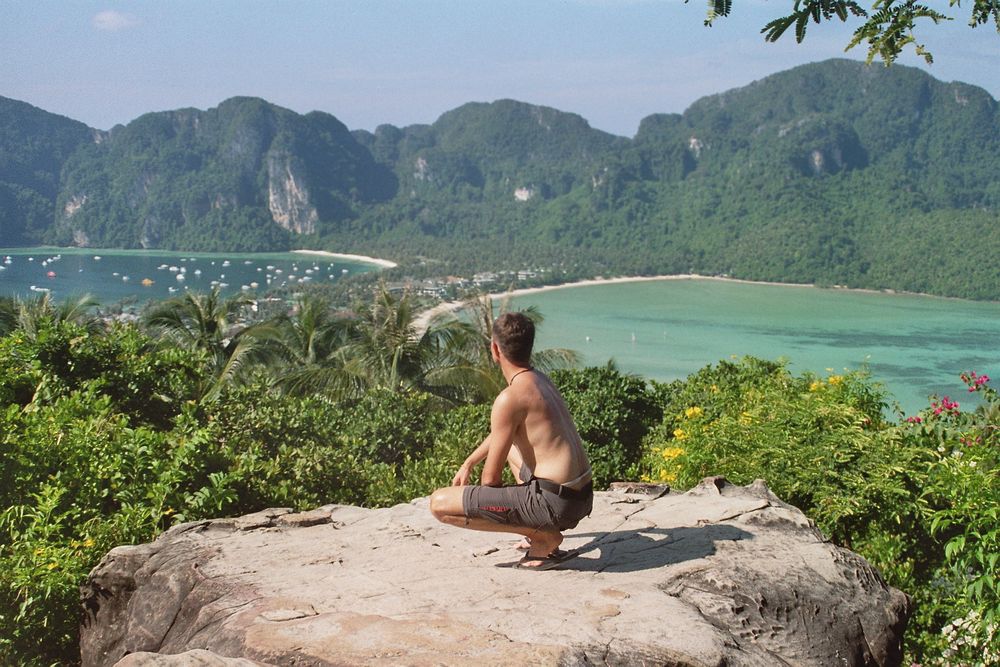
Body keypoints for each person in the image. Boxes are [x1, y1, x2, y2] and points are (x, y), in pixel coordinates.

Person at [429, 311, 593, 569]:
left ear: (495, 349)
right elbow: (503, 435)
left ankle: (543, 536)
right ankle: (537, 527)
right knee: (512, 450)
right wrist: (470, 461)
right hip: (579, 498)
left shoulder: (510, 397)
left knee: (439, 504)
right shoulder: (540, 380)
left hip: (555, 505)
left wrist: (501, 509)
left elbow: (490, 481)